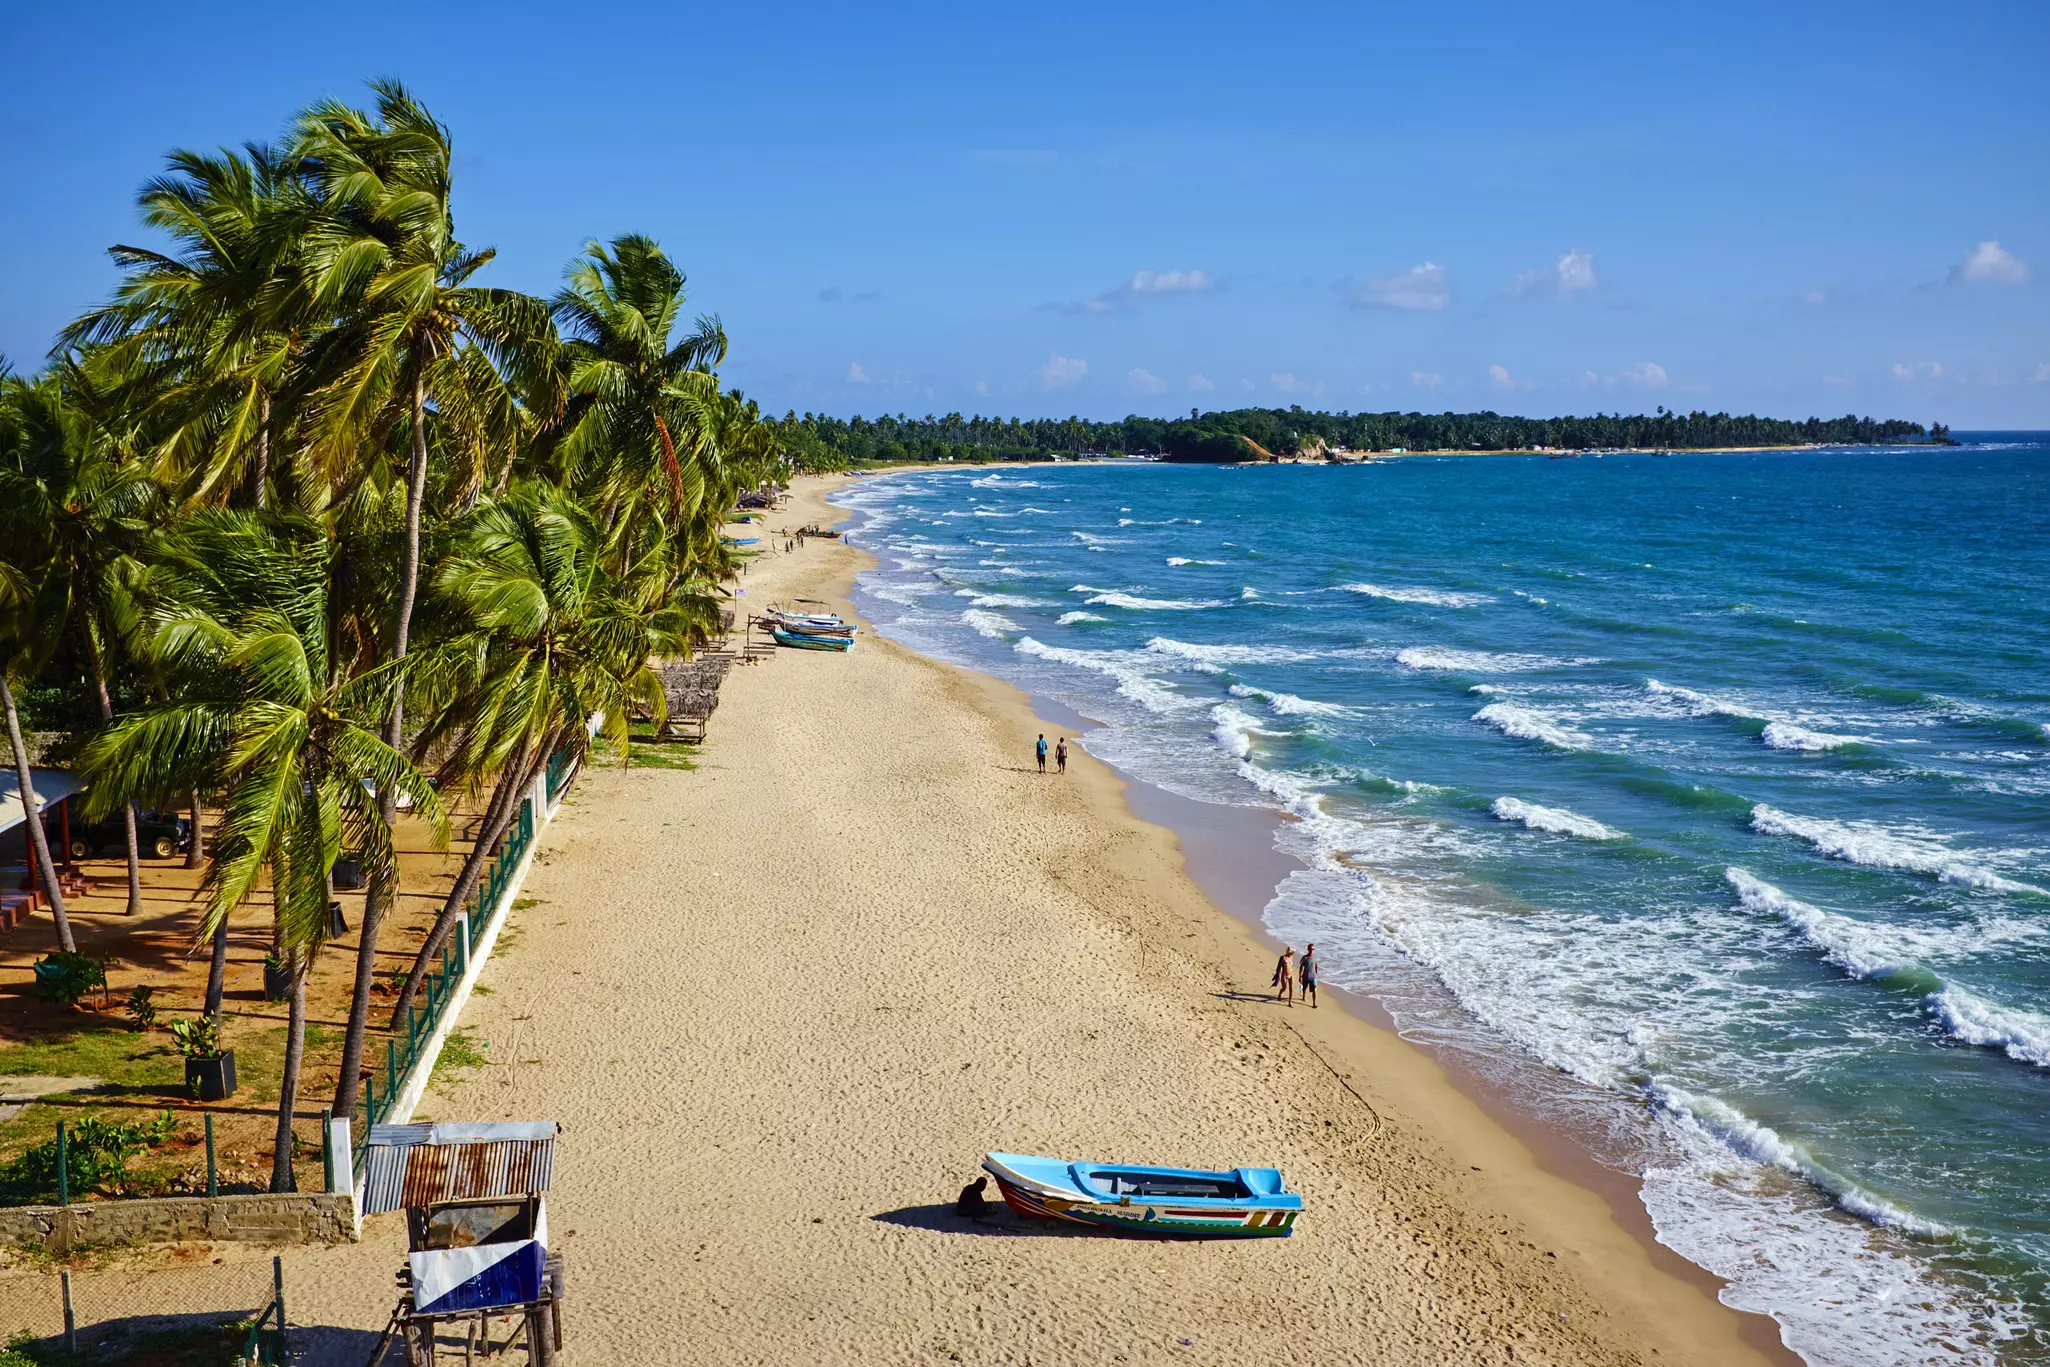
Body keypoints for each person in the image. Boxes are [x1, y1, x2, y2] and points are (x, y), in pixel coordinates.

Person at [1298, 942, 1319, 1009]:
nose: (1311, 950)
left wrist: (1316, 974)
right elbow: (1301, 967)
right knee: (1304, 988)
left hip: (1313, 977)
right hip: (1305, 976)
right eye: (1310, 949)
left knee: (1314, 990)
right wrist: (1299, 976)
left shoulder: (1315, 957)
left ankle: (1314, 1004)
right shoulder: (1304, 958)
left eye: (1312, 949)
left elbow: (1316, 966)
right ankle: (1303, 996)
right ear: (1308, 949)